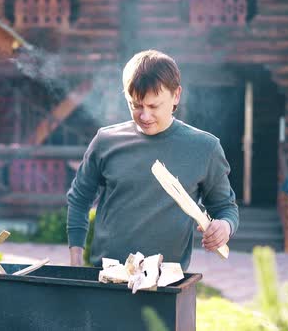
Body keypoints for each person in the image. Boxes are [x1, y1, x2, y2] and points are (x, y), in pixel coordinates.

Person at [66, 49, 239, 270]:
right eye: (135, 105)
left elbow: (226, 207)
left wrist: (225, 226)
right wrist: (75, 261)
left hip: (167, 281)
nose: (144, 116)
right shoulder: (106, 141)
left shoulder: (206, 148)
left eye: (153, 106)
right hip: (109, 276)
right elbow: (79, 199)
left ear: (176, 95)